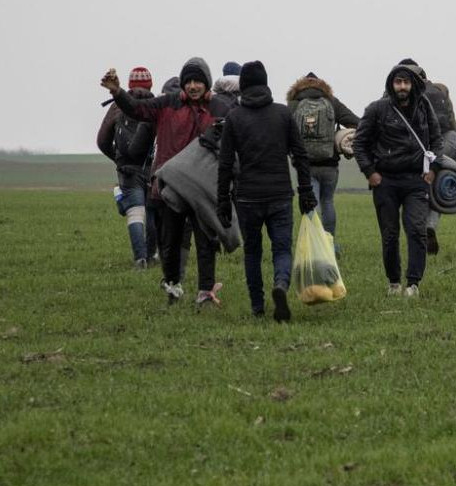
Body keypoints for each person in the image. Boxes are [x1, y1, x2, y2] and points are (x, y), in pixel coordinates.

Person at [100, 58, 223, 306]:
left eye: (198, 81)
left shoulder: (217, 109)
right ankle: (173, 284)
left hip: (203, 187)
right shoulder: (167, 104)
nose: (193, 86)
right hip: (171, 186)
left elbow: (236, 120)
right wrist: (117, 92)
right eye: (188, 81)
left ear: (206, 83)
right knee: (171, 241)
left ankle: (205, 292)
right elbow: (136, 108)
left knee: (206, 241)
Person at [216, 61, 316, 322]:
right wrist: (306, 190)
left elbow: (225, 164)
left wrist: (223, 201)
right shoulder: (283, 114)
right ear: (266, 83)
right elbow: (300, 155)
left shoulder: (235, 118)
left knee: (252, 252)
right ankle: (281, 285)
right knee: (282, 249)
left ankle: (258, 306)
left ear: (244, 86)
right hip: (280, 194)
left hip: (247, 196)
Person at [352, 63, 442, 297]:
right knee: (390, 235)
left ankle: (413, 283)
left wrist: (434, 168)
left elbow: (437, 140)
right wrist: (370, 172)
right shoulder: (376, 109)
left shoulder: (424, 107)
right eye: (398, 82)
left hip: (415, 180)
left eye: (406, 82)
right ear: (391, 84)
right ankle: (393, 282)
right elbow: (359, 143)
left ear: (413, 85)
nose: (402, 87)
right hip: (386, 181)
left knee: (416, 230)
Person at [286, 72, 360, 245]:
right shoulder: (332, 102)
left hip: (304, 164)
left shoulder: (294, 104)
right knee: (327, 202)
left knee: (311, 203)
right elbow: (357, 122)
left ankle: (313, 244)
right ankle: (329, 244)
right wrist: (341, 136)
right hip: (329, 164)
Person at [97, 66, 158, 268]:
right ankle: (151, 255)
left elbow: (102, 140)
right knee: (152, 212)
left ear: (129, 85)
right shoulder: (156, 105)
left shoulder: (117, 106)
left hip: (127, 169)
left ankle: (140, 259)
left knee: (135, 212)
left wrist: (118, 158)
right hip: (151, 167)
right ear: (150, 84)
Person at [396, 58, 456, 255]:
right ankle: (430, 225)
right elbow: (452, 125)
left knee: (412, 192)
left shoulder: (398, 91)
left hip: (413, 149)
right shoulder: (440, 91)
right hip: (443, 145)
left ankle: (417, 236)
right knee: (437, 186)